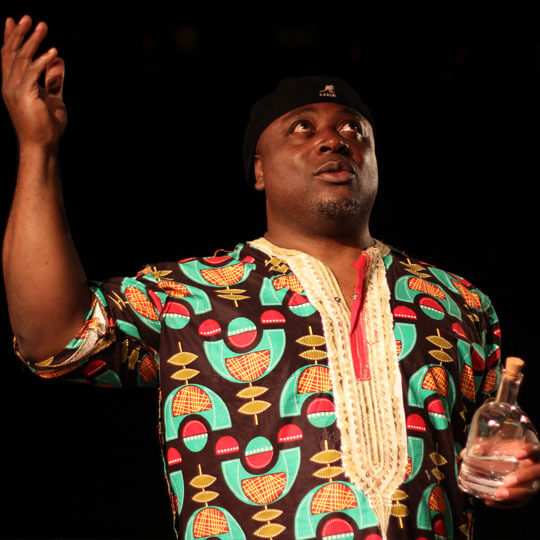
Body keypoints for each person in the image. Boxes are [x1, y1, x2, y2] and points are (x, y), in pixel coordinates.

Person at [3, 14, 540, 540]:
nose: (334, 140)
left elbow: (486, 465)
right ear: (258, 169)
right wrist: (37, 147)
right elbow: (55, 338)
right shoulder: (188, 293)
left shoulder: (459, 301)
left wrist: (510, 477)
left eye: (353, 128)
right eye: (302, 127)